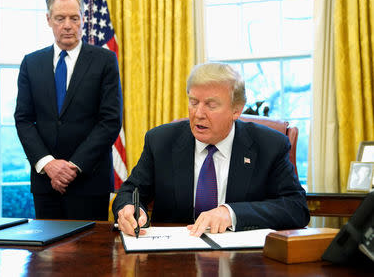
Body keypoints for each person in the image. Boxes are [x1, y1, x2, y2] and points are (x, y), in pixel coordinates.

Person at [113, 63, 309, 236]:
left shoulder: (269, 145)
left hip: (243, 261)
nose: (198, 113)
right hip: (174, 258)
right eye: (193, 102)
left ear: (236, 109)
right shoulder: (161, 141)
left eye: (211, 105)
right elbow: (130, 191)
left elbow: (296, 208)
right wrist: (128, 208)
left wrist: (231, 213)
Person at [14, 0, 122, 220]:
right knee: (47, 255)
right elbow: (23, 119)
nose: (67, 25)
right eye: (60, 18)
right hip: (46, 183)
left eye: (74, 18)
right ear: (48, 20)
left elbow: (110, 121)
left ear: (83, 19)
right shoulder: (31, 63)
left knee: (91, 257)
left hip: (90, 182)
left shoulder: (104, 60)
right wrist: (49, 164)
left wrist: (73, 167)